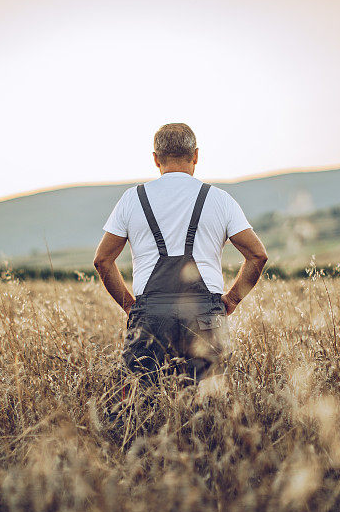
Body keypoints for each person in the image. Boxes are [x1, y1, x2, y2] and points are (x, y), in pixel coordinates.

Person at [93, 123, 268, 385]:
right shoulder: (220, 200)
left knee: (143, 408)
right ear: (196, 155)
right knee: (208, 409)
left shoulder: (132, 199)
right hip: (205, 315)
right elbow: (257, 255)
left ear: (155, 159)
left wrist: (131, 306)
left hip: (149, 315)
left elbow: (102, 260)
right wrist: (231, 300)